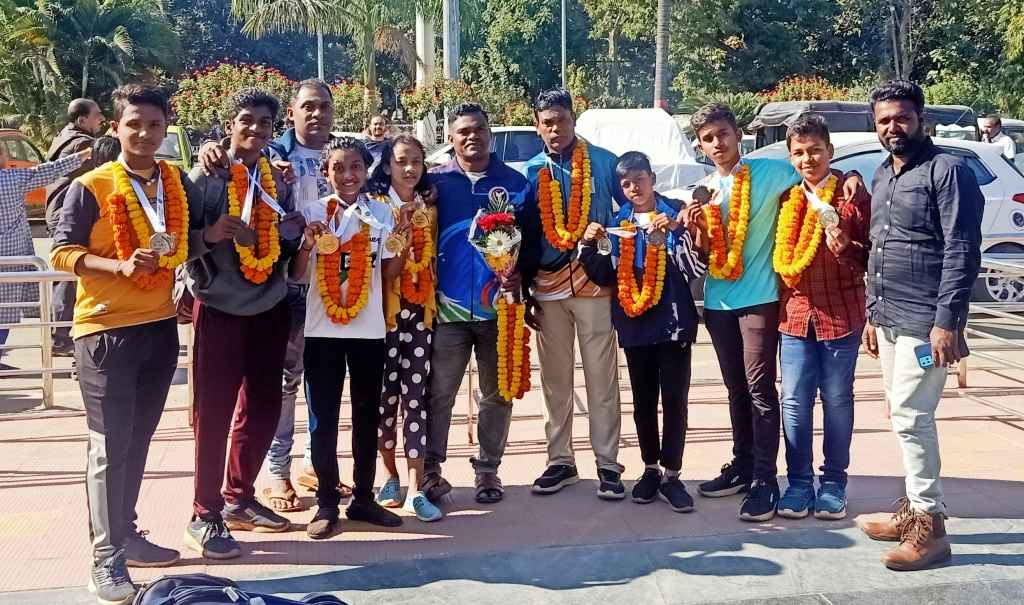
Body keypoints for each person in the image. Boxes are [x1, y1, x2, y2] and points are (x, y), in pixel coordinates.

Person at [50, 84, 203, 605]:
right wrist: (118, 266)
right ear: (115, 128)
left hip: (158, 329)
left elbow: (187, 237)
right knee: (108, 446)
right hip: (104, 333)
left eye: (154, 125)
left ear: (165, 129)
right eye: (134, 124)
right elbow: (61, 252)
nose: (144, 133)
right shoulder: (90, 185)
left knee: (137, 441)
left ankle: (128, 535)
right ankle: (105, 557)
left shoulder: (174, 181)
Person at [688, 103, 863, 522]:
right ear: (700, 146)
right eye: (708, 139)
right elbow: (703, 252)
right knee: (735, 390)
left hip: (761, 299)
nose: (718, 143)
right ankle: (743, 464)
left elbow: (814, 171)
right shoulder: (704, 188)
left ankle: (766, 480)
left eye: (723, 134)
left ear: (738, 135)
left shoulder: (770, 173)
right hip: (717, 302)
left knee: (762, 391)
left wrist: (851, 175)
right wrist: (695, 230)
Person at [200, 79, 348, 510]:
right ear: (292, 114)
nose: (317, 113)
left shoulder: (350, 155)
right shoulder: (273, 157)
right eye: (308, 106)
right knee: (280, 385)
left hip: (338, 285)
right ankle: (275, 474)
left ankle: (314, 465)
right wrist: (211, 147)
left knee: (324, 382)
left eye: (324, 106)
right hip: (281, 287)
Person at [858, 80, 983, 571]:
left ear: (921, 119)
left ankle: (930, 529)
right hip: (890, 317)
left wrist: (947, 323)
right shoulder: (883, 174)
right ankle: (913, 512)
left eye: (902, 118)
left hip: (926, 323)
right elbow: (879, 246)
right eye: (884, 120)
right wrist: (872, 313)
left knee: (913, 418)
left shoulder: (947, 171)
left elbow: (962, 249)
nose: (894, 127)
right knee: (902, 415)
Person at [184, 88, 303, 559]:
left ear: (274, 129)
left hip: (269, 305)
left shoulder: (277, 176)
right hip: (219, 307)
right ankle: (204, 513)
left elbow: (283, 240)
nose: (255, 129)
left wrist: (291, 232)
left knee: (264, 408)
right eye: (246, 120)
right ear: (229, 124)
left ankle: (239, 497)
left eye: (264, 123)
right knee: (212, 413)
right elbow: (180, 239)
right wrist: (211, 235)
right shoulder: (208, 174)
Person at [577, 151, 708, 513]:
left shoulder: (675, 213)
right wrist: (587, 244)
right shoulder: (616, 224)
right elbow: (604, 275)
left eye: (640, 179)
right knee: (643, 401)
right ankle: (650, 468)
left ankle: (672, 474)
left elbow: (694, 268)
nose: (634, 188)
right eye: (626, 183)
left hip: (674, 322)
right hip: (635, 323)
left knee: (675, 401)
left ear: (653, 178)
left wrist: (680, 231)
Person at [422, 103, 540, 506]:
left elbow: (532, 240)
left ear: (490, 134)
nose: (471, 137)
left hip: (500, 309)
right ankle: (430, 468)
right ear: (451, 138)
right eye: (463, 132)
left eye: (478, 130)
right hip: (447, 309)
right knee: (440, 392)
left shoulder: (516, 183)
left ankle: (488, 469)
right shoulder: (435, 182)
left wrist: (522, 274)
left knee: (498, 392)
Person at [292, 137, 406, 539]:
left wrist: (402, 244)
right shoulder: (313, 212)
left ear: (366, 170)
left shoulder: (381, 214)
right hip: (322, 330)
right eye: (338, 167)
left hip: (368, 329)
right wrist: (307, 244)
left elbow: (389, 273)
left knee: (366, 415)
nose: (348, 175)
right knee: (322, 418)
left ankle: (363, 497)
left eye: (356, 166)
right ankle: (326, 501)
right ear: (326, 173)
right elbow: (297, 274)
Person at [523, 88, 627, 500]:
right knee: (555, 381)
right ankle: (560, 460)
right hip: (547, 288)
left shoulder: (603, 162)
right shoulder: (530, 171)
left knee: (602, 379)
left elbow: (632, 208)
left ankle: (608, 463)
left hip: (594, 284)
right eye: (547, 123)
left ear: (574, 119)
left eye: (561, 120)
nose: (555, 129)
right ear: (537, 126)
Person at [773, 113, 871, 521]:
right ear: (790, 157)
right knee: (794, 401)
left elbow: (872, 256)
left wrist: (847, 245)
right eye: (799, 152)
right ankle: (798, 484)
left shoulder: (851, 196)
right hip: (795, 315)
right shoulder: (785, 199)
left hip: (841, 315)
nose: (807, 159)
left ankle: (833, 483)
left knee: (837, 400)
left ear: (830, 151)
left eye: (815, 150)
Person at [367, 135, 444, 522]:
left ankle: (416, 488)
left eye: (416, 161)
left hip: (420, 314)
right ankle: (389, 475)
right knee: (385, 399)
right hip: (382, 316)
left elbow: (431, 260)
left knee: (416, 397)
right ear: (387, 166)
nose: (410, 168)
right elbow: (378, 267)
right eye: (401, 161)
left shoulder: (429, 209)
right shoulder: (376, 207)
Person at [1, 135, 90, 371]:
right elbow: (49, 171)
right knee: (6, 311)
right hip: (12, 257)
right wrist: (82, 156)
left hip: (11, 258)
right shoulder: (12, 179)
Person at [45, 98, 105, 356]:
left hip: (59, 213)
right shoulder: (82, 145)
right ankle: (60, 337)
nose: (101, 119)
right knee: (69, 276)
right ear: (82, 120)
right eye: (97, 115)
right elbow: (102, 173)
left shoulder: (63, 138)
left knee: (65, 276)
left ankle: (60, 335)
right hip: (68, 214)